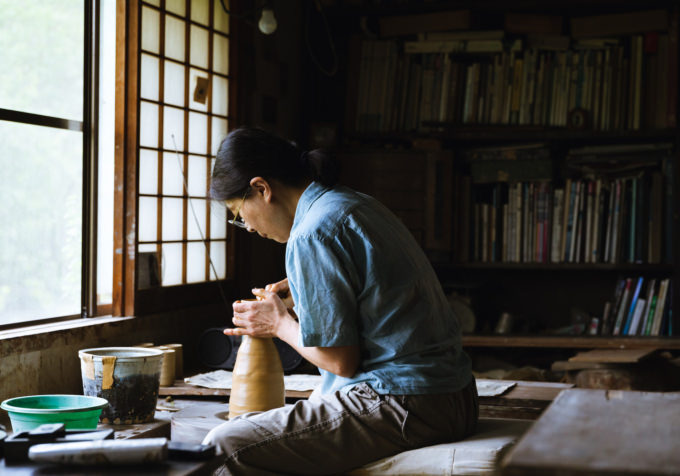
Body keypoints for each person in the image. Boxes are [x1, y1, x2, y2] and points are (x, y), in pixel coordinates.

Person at [203, 126, 478, 475]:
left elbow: (339, 361)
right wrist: (303, 291)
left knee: (221, 446)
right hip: (456, 397)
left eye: (240, 215)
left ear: (262, 188)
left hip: (405, 402)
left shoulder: (311, 233)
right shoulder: (353, 204)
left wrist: (279, 324)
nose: (250, 228)